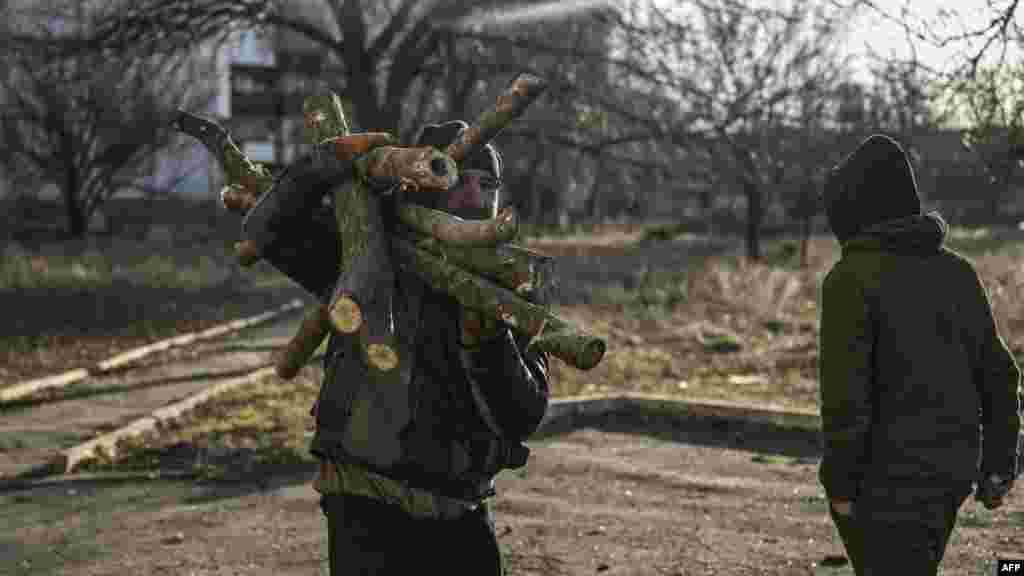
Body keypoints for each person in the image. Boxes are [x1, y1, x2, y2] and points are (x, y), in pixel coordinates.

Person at [248, 119, 549, 575]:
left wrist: (488, 340)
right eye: (458, 178)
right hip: (366, 508)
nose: (473, 197)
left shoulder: (513, 283)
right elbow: (268, 228)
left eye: (486, 184)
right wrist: (326, 163)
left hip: (461, 509)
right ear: (418, 181)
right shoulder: (366, 253)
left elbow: (524, 415)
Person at [817, 133, 1022, 575]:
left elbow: (846, 399)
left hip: (883, 481)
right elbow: (999, 375)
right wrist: (999, 466)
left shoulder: (849, 280)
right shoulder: (957, 272)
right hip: (950, 476)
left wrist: (839, 484)